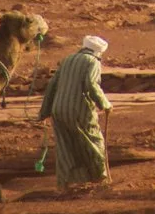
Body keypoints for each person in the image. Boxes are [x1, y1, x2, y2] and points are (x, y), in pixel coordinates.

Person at [36, 33, 112, 187]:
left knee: (66, 147)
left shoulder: (67, 59)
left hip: (58, 110)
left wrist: (44, 111)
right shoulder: (92, 61)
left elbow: (52, 85)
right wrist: (105, 104)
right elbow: (92, 84)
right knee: (94, 141)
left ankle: (67, 183)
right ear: (98, 52)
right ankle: (100, 177)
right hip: (79, 111)